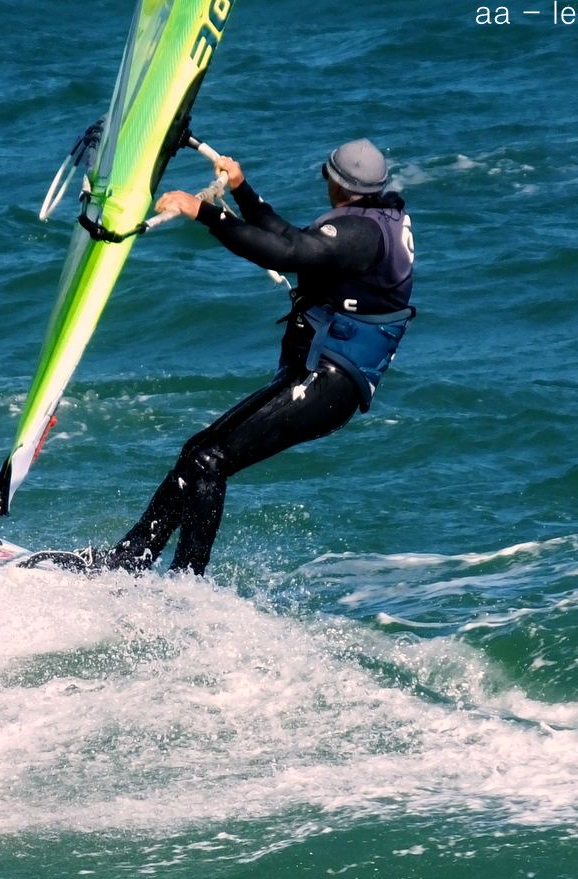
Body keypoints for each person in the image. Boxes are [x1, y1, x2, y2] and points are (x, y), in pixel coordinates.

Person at [103, 138, 416, 575]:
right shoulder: (373, 221)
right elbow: (294, 239)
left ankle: (183, 585)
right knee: (197, 453)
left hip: (329, 381)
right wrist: (242, 190)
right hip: (321, 374)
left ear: (333, 180)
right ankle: (129, 560)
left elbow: (288, 254)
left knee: (208, 461)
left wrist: (205, 213)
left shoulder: (361, 234)